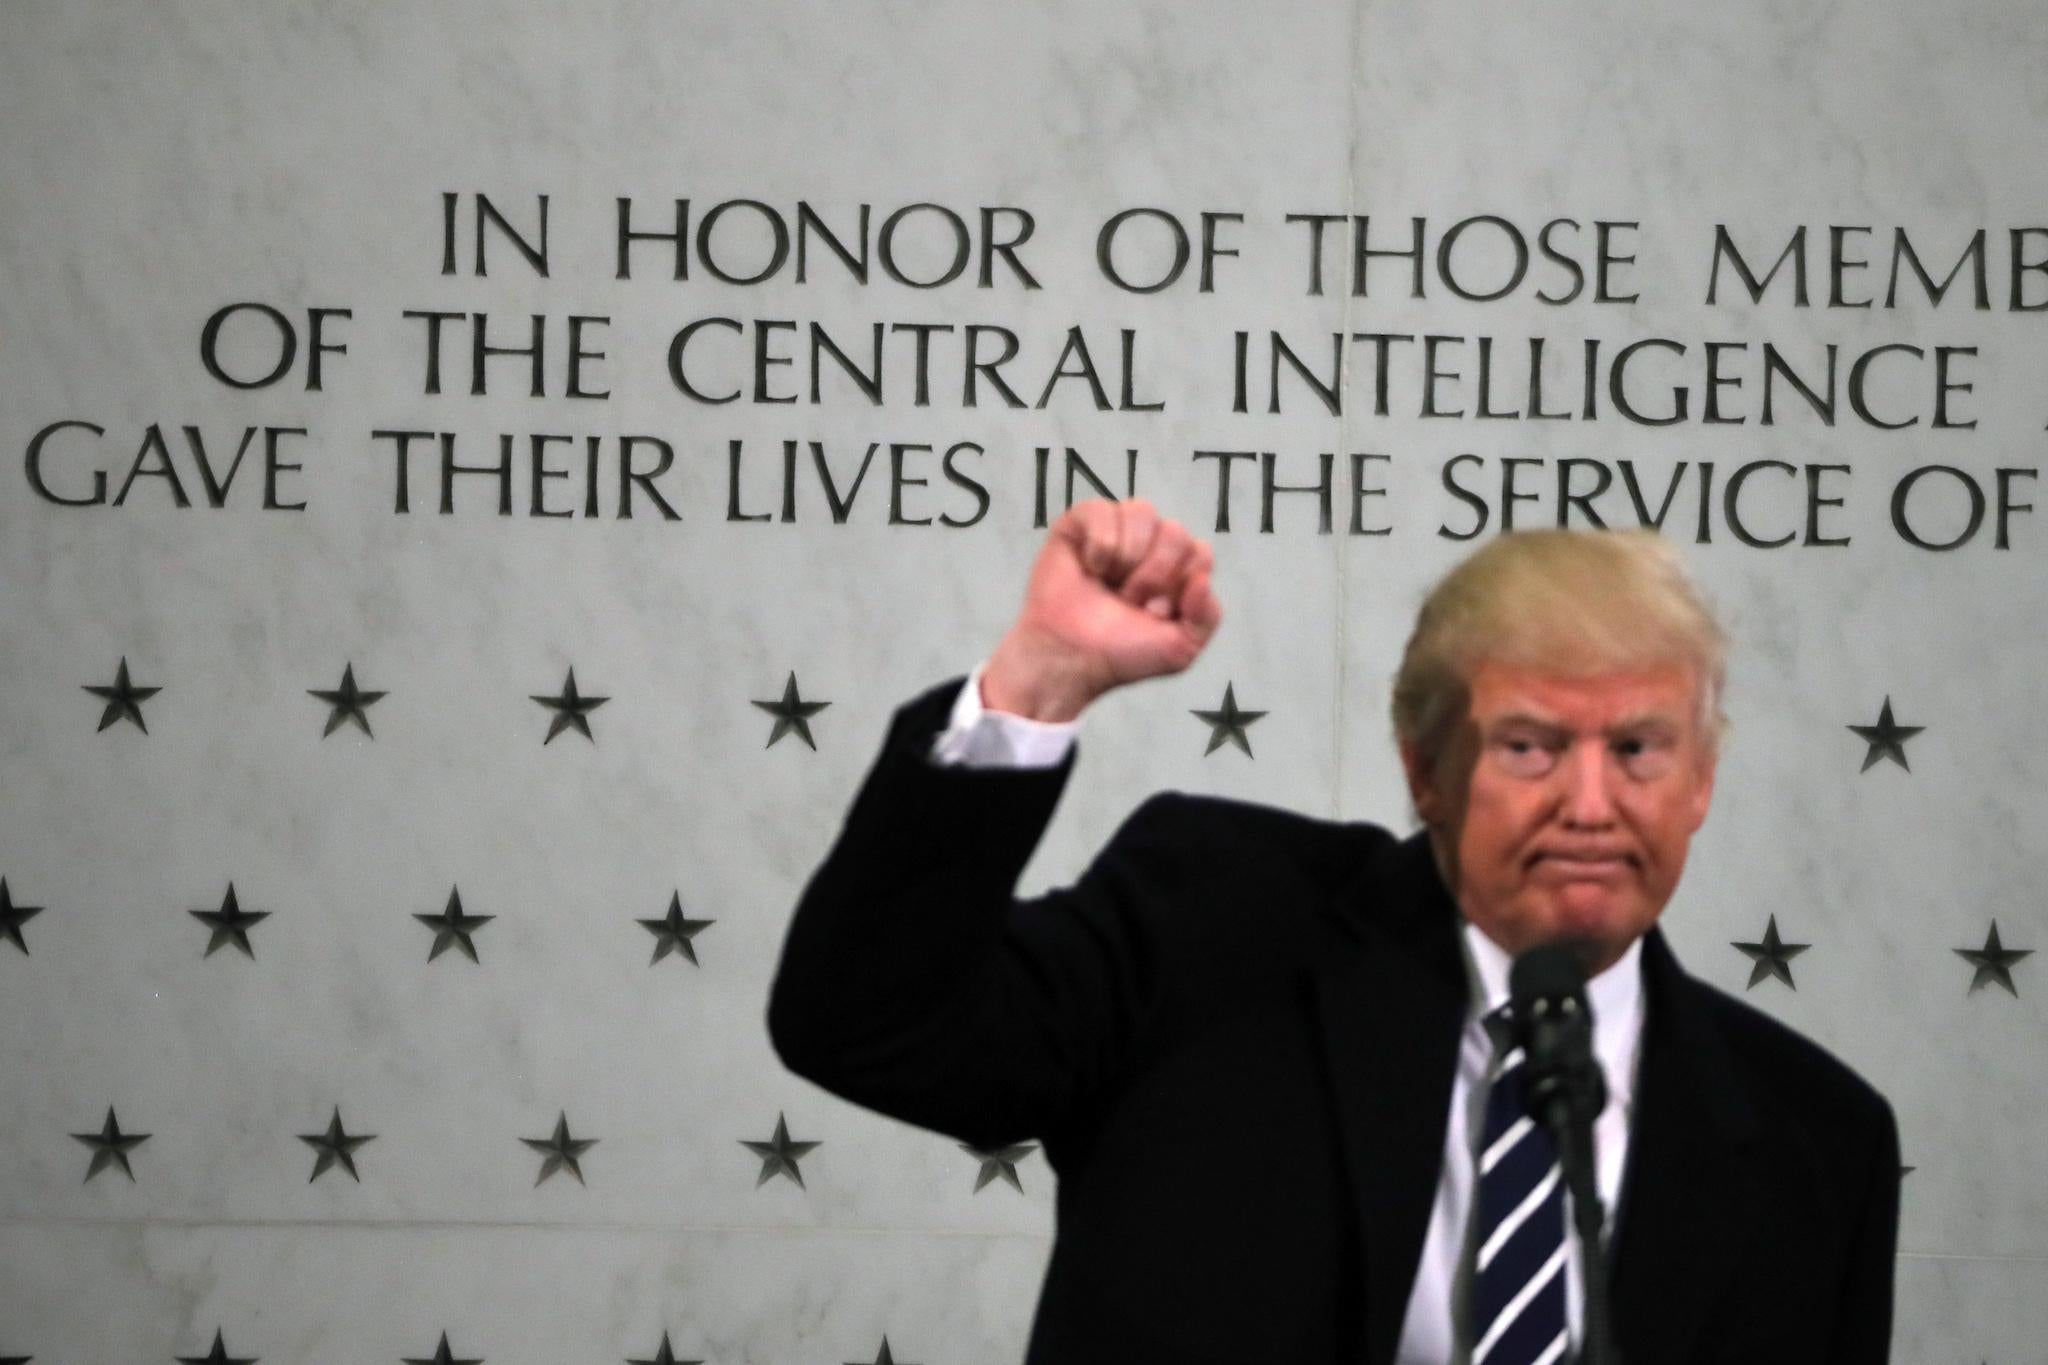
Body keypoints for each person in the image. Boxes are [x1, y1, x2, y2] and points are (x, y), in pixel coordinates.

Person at [767, 497, 1900, 1365]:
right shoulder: (1216, 930)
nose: (1590, 804)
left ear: (1699, 781)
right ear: (1426, 771)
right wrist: (1038, 681)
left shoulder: (1818, 1147)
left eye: (1638, 750)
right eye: (1529, 746)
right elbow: (866, 1021)